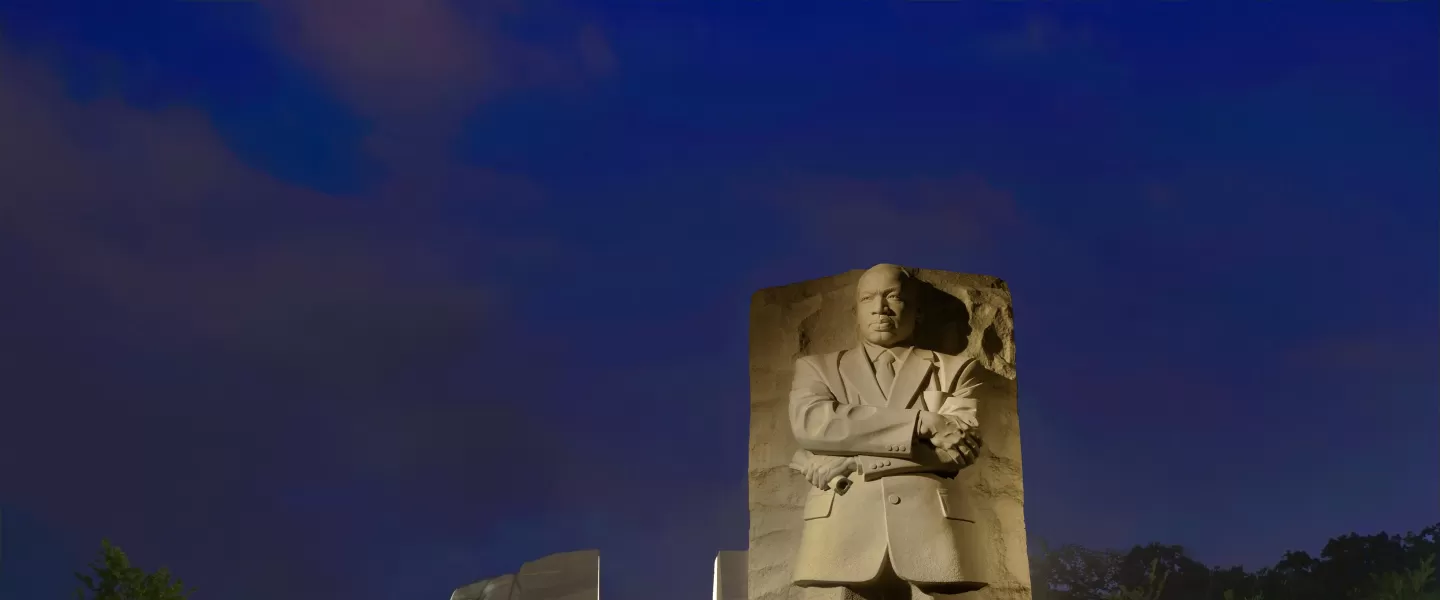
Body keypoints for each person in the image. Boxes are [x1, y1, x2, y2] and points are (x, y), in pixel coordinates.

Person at [788, 264, 987, 599]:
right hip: (839, 529)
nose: (880, 308)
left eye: (894, 297)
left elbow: (958, 452)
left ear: (917, 311)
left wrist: (857, 462)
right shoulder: (817, 368)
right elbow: (814, 425)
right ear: (856, 311)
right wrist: (922, 422)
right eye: (868, 298)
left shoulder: (956, 369)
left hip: (932, 532)